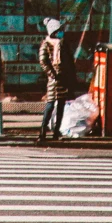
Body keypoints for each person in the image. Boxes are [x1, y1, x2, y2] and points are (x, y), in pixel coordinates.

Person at [37, 17, 71, 145]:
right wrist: (52, 74)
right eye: (59, 30)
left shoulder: (63, 44)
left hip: (63, 77)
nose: (61, 33)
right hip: (53, 79)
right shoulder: (46, 44)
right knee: (50, 105)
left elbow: (69, 60)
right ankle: (42, 131)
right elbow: (43, 61)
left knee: (61, 105)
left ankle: (57, 131)